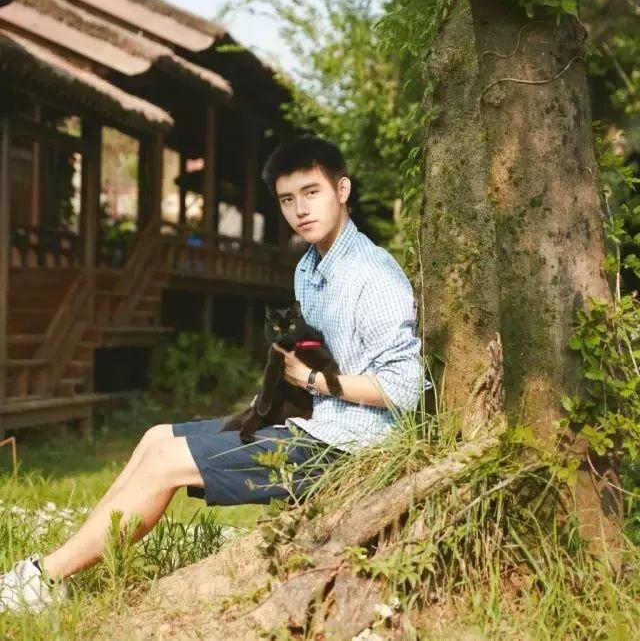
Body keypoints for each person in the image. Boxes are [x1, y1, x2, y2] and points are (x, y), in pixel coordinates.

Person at [0, 135, 425, 613]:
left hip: (349, 445)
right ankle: (72, 563)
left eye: (312, 192)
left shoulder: (373, 273)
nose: (300, 209)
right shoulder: (310, 266)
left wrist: (310, 380)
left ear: (341, 190)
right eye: (287, 199)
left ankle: (43, 579)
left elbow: (405, 388)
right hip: (314, 422)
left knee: (167, 461)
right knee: (157, 436)